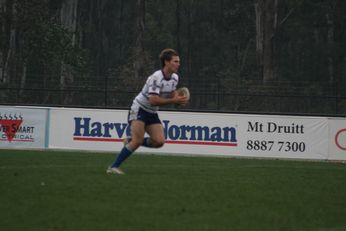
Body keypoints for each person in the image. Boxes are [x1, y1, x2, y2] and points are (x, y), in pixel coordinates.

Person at [107, 48, 188, 175]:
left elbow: (172, 93)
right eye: (175, 61)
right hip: (139, 108)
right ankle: (113, 167)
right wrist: (173, 100)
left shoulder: (175, 78)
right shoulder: (156, 77)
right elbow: (153, 100)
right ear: (166, 62)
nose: (179, 64)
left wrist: (178, 100)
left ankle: (129, 141)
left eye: (179, 61)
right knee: (137, 141)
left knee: (159, 141)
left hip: (152, 112)